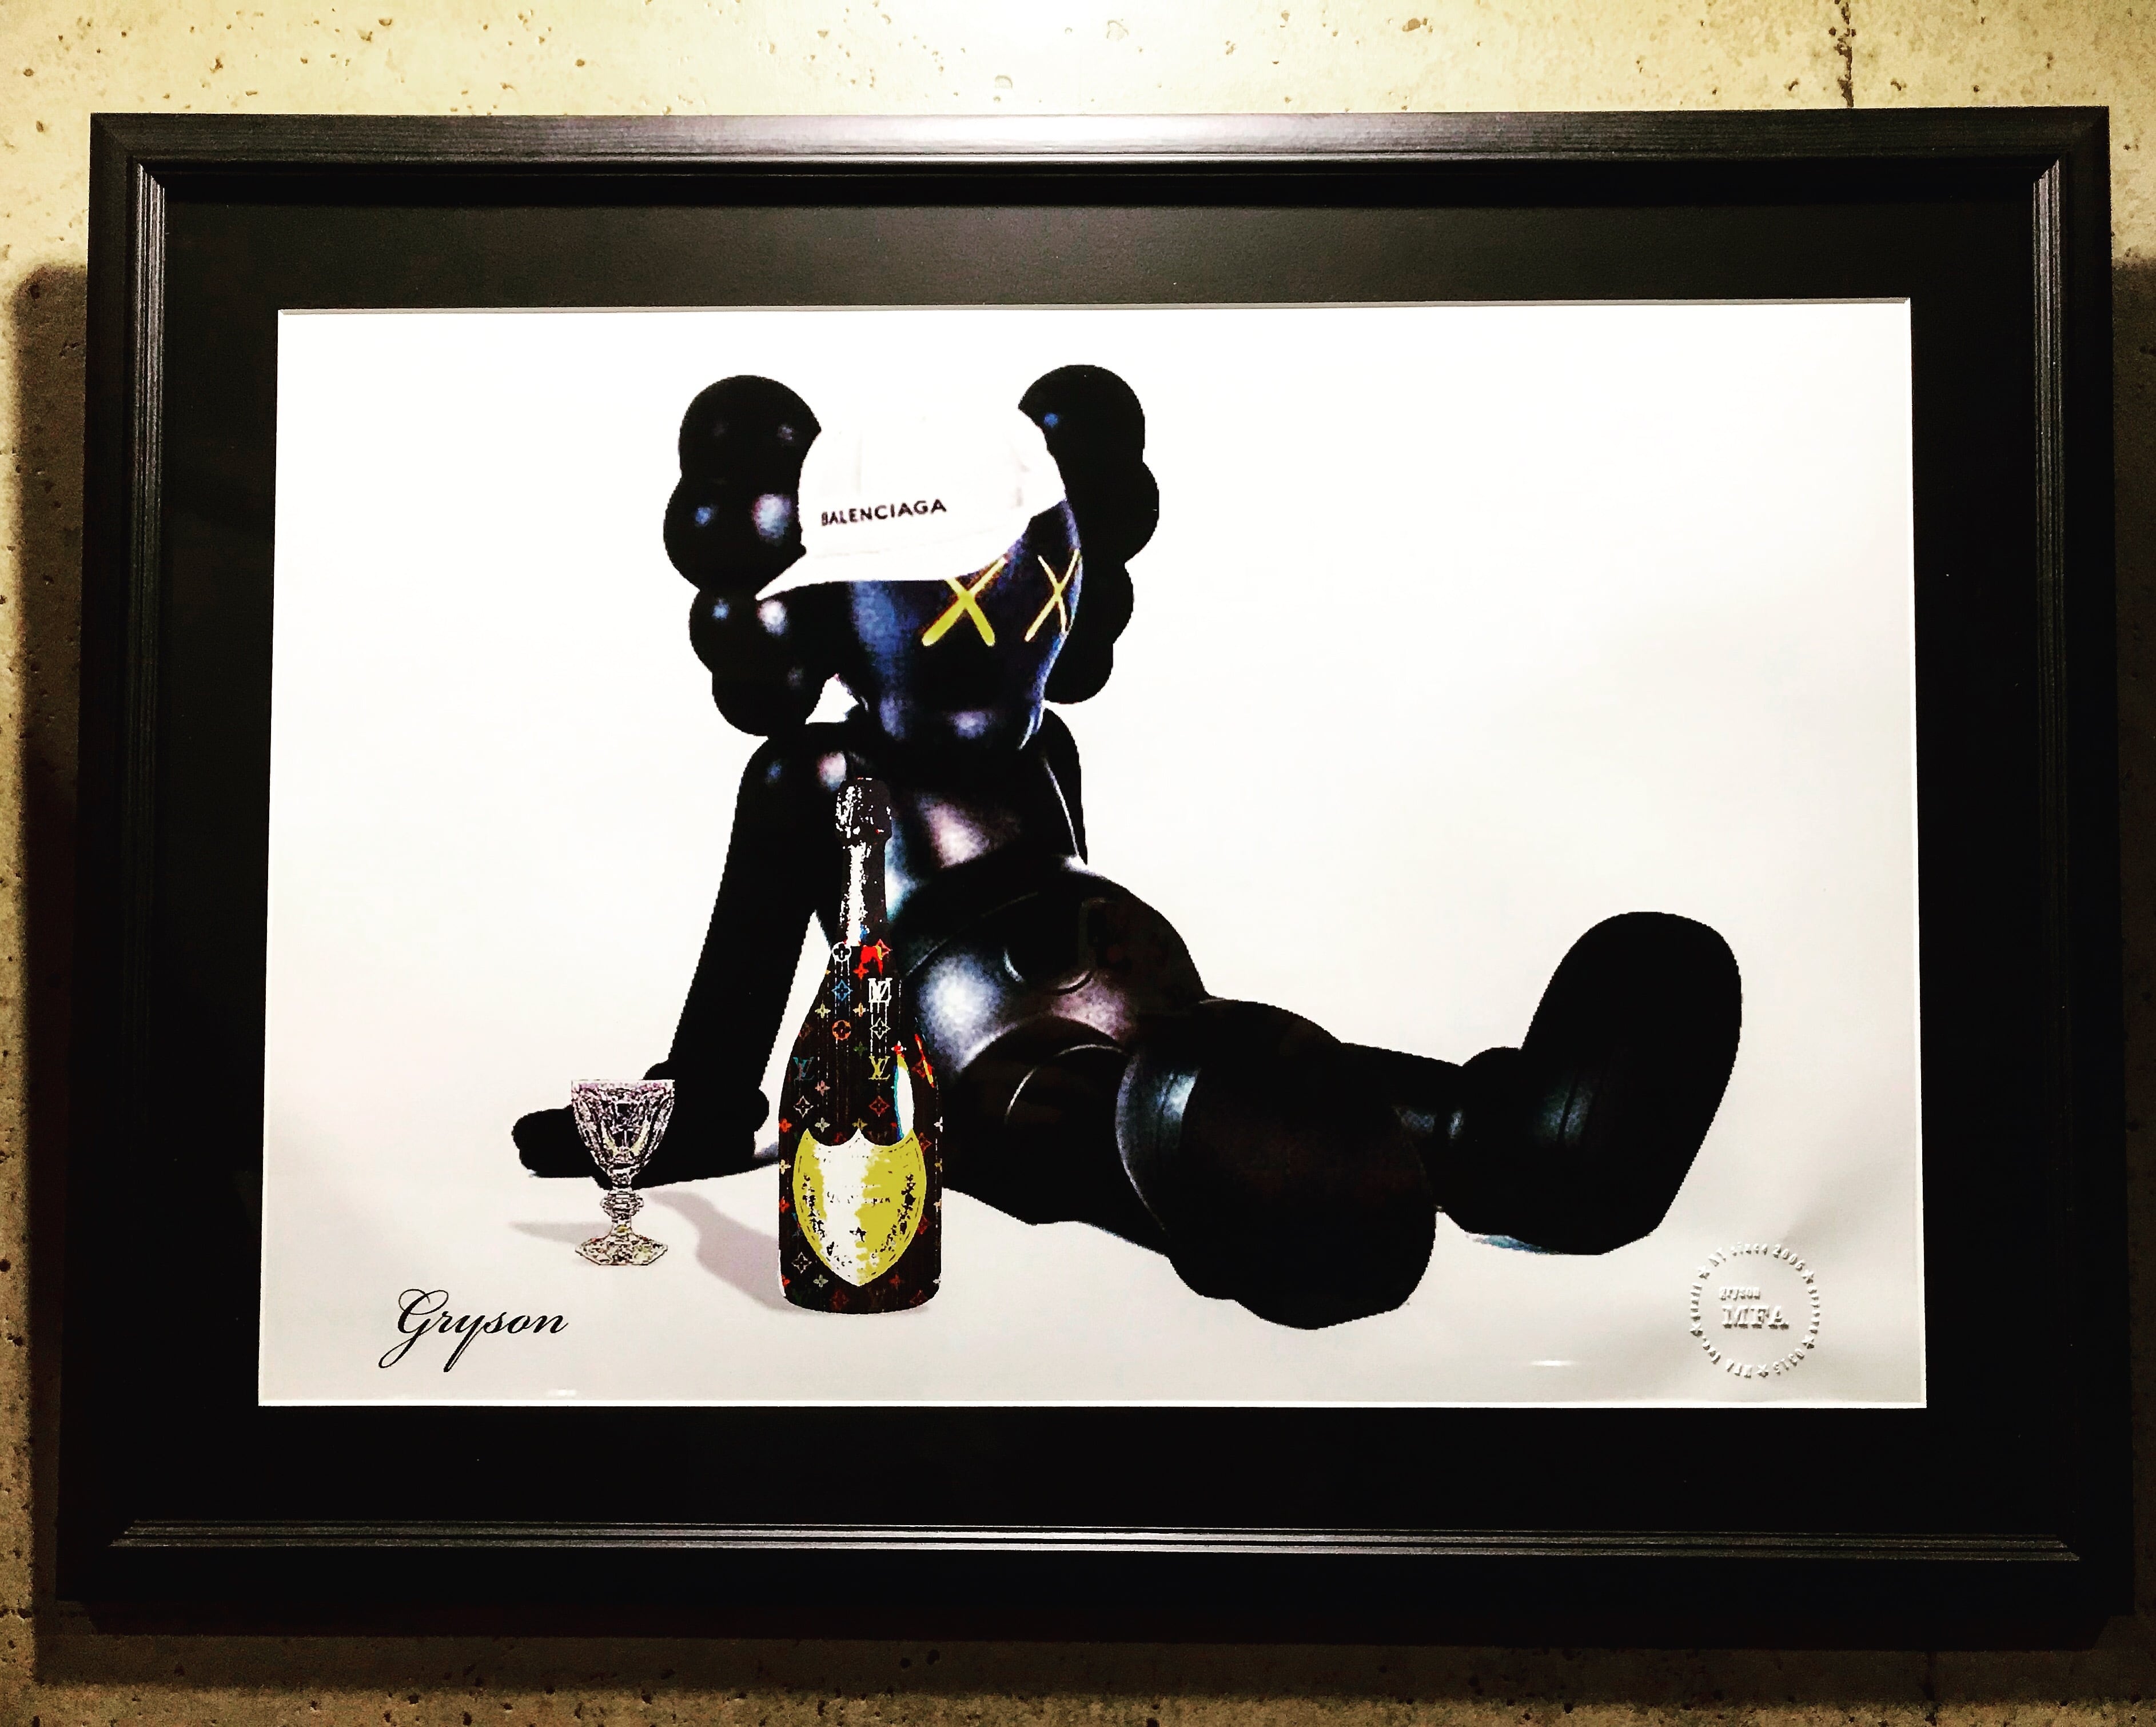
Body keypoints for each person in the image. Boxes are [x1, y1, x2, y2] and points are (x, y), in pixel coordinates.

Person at [516, 367, 1743, 1329]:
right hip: (974, 1071)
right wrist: (676, 1118)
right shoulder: (820, 777)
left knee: (1199, 1069)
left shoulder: (1041, 749)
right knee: (1125, 1113)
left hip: (1141, 997)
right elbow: (734, 1006)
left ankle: (1518, 1145)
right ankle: (1280, 1184)